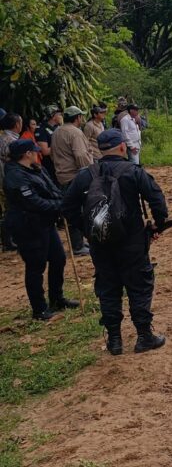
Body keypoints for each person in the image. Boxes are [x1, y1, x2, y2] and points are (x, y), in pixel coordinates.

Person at [62, 129, 169, 355]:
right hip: (132, 241)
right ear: (122, 147)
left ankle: (114, 340)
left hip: (100, 244)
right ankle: (144, 336)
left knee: (108, 287)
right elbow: (157, 199)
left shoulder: (85, 175)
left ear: (100, 150)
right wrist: (157, 225)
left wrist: (88, 230)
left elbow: (68, 207)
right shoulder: (134, 171)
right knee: (139, 285)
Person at [3, 139, 78, 320]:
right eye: (33, 151)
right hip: (28, 226)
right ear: (26, 154)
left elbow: (53, 190)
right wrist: (58, 206)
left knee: (58, 258)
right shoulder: (15, 176)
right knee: (36, 266)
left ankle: (57, 299)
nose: (37, 153)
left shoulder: (36, 169)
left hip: (45, 223)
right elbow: (32, 202)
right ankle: (39, 309)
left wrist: (63, 202)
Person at [51, 106, 92, 256]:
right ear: (78, 118)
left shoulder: (57, 132)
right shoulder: (75, 133)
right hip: (75, 177)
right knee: (79, 211)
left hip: (62, 176)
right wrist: (88, 173)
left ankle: (79, 243)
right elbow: (81, 155)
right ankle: (78, 246)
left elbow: (53, 154)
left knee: (72, 210)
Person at [0, 112, 22, 252]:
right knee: (11, 208)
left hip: (4, 178)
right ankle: (9, 240)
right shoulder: (12, 141)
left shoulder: (2, 137)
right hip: (9, 179)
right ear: (16, 125)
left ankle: (8, 240)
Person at [35, 105, 62, 182]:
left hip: (59, 165)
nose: (61, 116)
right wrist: (62, 146)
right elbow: (44, 151)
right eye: (59, 115)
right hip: (49, 167)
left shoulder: (57, 127)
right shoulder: (41, 129)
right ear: (53, 116)